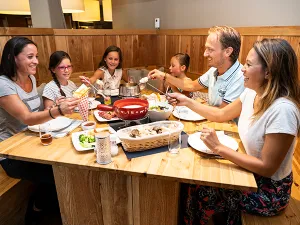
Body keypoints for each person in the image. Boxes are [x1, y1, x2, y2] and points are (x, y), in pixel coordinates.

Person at [168, 39, 300, 224]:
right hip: (249, 172)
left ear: (268, 71)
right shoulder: (252, 92)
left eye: (248, 64)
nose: (242, 69)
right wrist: (187, 101)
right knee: (191, 183)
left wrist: (218, 148)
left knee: (200, 190)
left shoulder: (283, 110)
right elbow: (221, 114)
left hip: (268, 190)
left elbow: (267, 168)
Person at [0, 37, 80, 224]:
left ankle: (51, 205)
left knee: (68, 159)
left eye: (36, 56)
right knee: (60, 173)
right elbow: (27, 117)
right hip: (12, 152)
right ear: (13, 58)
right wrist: (58, 111)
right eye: (30, 56)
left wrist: (54, 106)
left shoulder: (31, 78)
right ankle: (37, 211)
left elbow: (38, 113)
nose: (36, 61)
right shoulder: (3, 84)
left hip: (32, 141)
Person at [148, 26, 245, 108]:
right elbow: (191, 86)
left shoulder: (240, 77)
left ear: (227, 51)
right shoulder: (213, 70)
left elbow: (222, 114)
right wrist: (164, 76)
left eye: (210, 49)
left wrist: (187, 102)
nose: (205, 54)